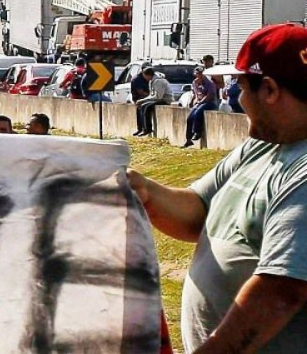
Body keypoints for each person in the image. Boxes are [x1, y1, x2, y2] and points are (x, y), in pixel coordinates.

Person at [129, 23, 307, 353]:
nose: (235, 96)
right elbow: (198, 211)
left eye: (240, 85)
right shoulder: (263, 145)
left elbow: (281, 290)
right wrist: (144, 191)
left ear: (268, 90)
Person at [182, 66, 218, 148]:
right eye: (197, 74)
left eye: (201, 74)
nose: (199, 76)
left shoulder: (209, 83)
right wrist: (192, 101)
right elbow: (195, 94)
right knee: (190, 118)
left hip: (209, 102)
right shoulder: (195, 82)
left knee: (198, 112)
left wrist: (201, 102)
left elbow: (210, 95)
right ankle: (188, 139)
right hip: (199, 102)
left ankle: (197, 132)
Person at [133, 67, 172, 137]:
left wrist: (143, 100)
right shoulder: (152, 81)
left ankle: (148, 128)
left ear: (148, 75)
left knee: (147, 107)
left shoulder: (158, 81)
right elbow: (152, 95)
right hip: (158, 99)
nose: (144, 78)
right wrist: (142, 101)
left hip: (164, 100)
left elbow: (158, 97)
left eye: (144, 76)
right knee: (141, 106)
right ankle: (141, 128)